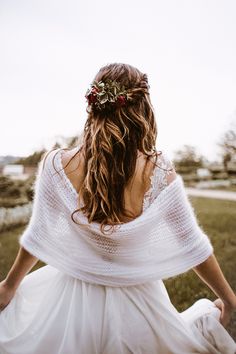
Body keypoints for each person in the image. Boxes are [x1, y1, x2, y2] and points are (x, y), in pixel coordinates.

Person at [0, 63, 235, 354]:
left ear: (93, 103)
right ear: (142, 107)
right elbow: (194, 246)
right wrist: (230, 300)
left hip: (70, 300)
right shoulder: (159, 170)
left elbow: (39, 234)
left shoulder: (56, 164)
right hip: (140, 302)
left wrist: (10, 286)